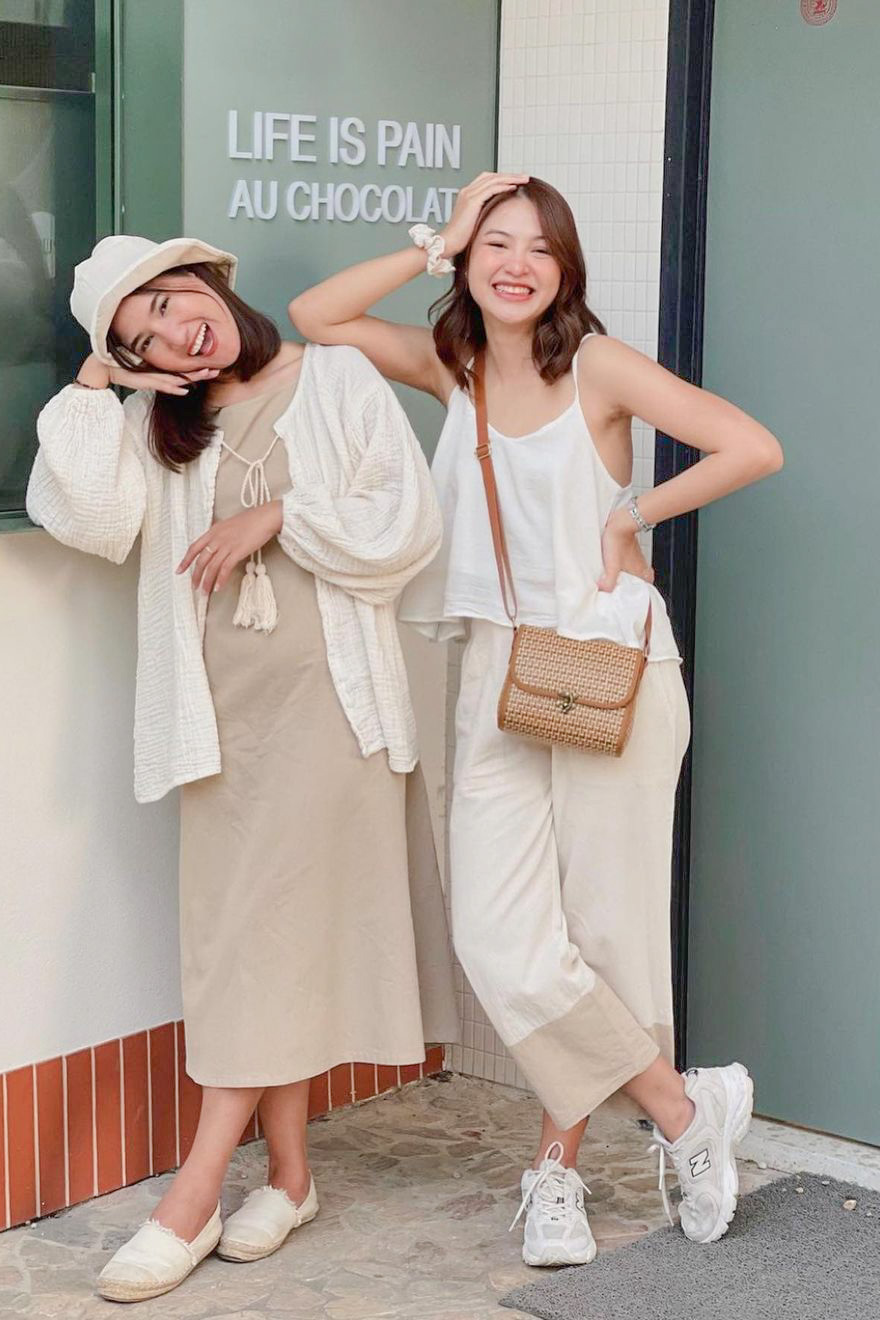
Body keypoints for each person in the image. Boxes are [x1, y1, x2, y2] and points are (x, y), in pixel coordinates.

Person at [290, 173, 783, 1267]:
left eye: (538, 248)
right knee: (497, 936)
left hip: (608, 669)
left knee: (602, 931)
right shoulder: (452, 367)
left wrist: (631, 513)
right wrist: (437, 236)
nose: (515, 264)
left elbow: (751, 446)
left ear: (567, 270)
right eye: (494, 244)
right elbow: (317, 316)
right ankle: (685, 1110)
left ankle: (555, 1174)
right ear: (468, 260)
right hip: (496, 672)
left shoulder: (595, 366)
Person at [26, 234, 458, 1299]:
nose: (179, 332)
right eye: (144, 335)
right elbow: (87, 517)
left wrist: (279, 515)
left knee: (262, 940)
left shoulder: (338, 377)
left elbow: (406, 526)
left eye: (174, 302)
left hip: (332, 717)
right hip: (218, 727)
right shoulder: (160, 429)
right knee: (253, 943)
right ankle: (292, 1177)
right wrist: (98, 383)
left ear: (209, 284)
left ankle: (194, 1192)